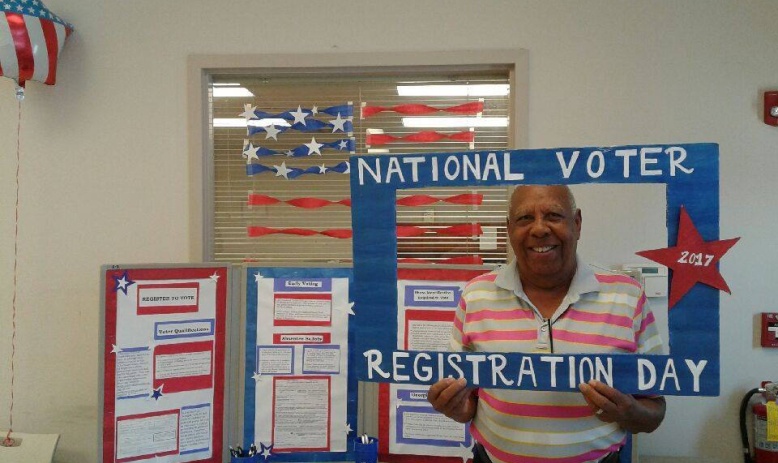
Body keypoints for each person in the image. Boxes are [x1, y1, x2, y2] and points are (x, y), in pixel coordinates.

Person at [427, 185, 666, 463]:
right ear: (509, 229)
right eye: (525, 218)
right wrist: (456, 407)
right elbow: (468, 401)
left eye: (553, 215)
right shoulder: (475, 295)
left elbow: (655, 408)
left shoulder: (627, 297)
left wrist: (630, 413)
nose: (539, 229)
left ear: (577, 223)